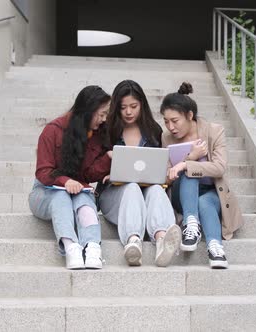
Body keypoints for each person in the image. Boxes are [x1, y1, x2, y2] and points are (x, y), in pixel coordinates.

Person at [99, 80, 181, 267]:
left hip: (148, 194)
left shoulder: (153, 131)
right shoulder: (107, 131)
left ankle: (162, 240)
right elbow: (93, 166)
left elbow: (159, 168)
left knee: (156, 190)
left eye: (133, 106)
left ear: (142, 105)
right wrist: (108, 164)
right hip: (115, 195)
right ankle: (133, 241)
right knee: (132, 186)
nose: (128, 112)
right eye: (123, 107)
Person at [160, 82, 242, 269]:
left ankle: (215, 249)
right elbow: (165, 176)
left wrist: (185, 163)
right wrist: (189, 160)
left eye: (175, 121)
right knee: (189, 174)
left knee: (204, 201)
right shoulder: (166, 137)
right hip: (182, 194)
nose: (170, 127)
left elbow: (220, 168)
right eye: (166, 121)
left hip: (211, 192)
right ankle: (191, 222)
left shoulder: (214, 131)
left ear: (189, 116)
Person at [29, 85, 112, 270]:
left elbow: (89, 174)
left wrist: (107, 159)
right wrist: (65, 181)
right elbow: (43, 171)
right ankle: (71, 246)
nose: (104, 119)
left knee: (84, 199)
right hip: (44, 192)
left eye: (106, 114)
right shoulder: (52, 130)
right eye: (101, 114)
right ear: (87, 110)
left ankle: (92, 246)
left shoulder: (96, 134)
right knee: (61, 196)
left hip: (78, 190)